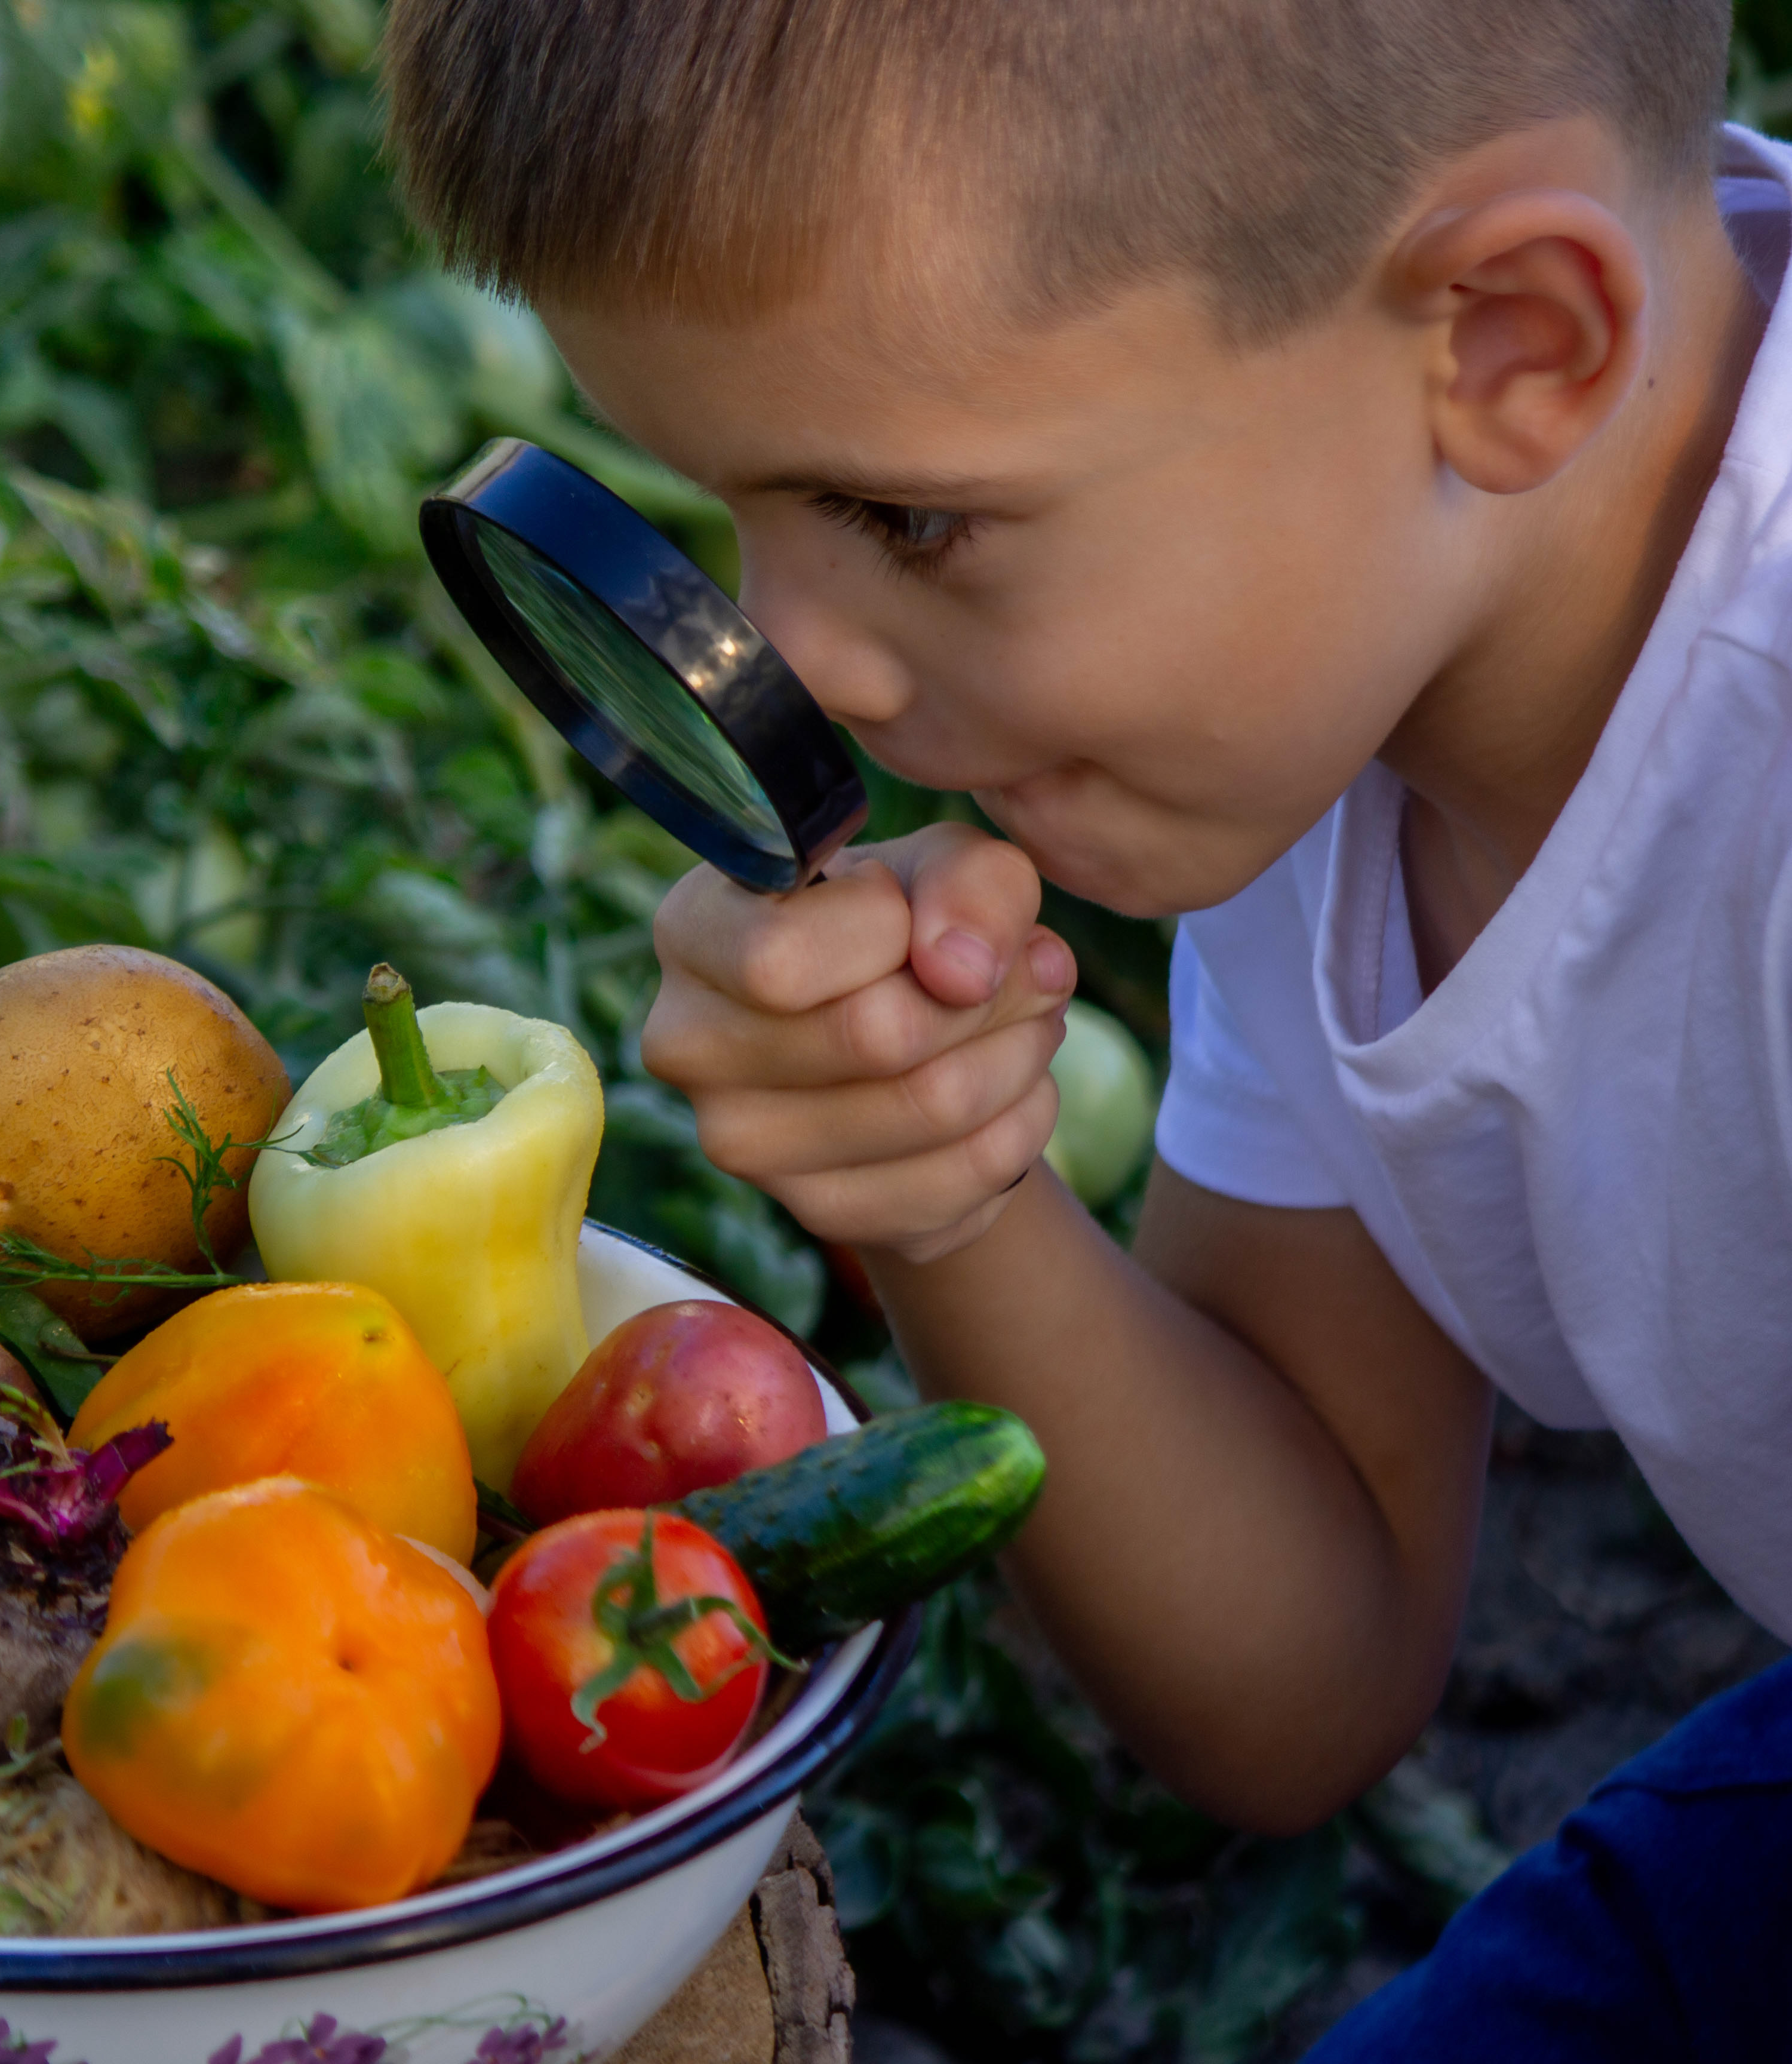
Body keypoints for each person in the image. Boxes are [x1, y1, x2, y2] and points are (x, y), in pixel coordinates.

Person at [380, 1, 1792, 2053]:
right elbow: (1306, 1666)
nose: (816, 661)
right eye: (731, 509)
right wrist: (951, 1199)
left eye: (916, 523)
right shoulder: (1338, 661)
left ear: (1508, 343)